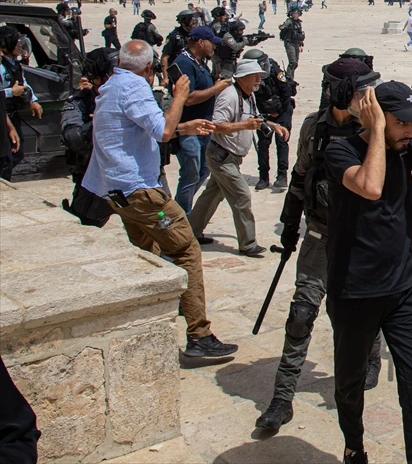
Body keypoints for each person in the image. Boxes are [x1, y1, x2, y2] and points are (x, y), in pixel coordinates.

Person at [323, 82, 412, 464]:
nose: (408, 131)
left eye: (411, 122)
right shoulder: (340, 151)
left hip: (404, 288)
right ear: (376, 118)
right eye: (401, 122)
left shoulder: (406, 147)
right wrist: (379, 129)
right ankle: (354, 445)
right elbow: (370, 186)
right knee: (350, 383)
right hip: (354, 291)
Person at [80, 40, 237, 360]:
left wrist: (184, 127)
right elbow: (162, 131)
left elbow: (143, 130)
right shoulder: (136, 86)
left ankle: (147, 323)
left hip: (118, 194)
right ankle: (199, 335)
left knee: (148, 255)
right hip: (143, 196)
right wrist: (179, 96)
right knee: (185, 249)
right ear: (149, 69)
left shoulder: (111, 87)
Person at [257, 56, 386, 434]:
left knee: (363, 312)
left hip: (361, 241)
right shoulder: (314, 127)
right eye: (362, 91)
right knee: (301, 316)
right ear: (342, 92)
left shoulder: (374, 130)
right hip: (318, 236)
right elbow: (301, 177)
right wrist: (288, 225)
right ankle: (282, 398)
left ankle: (372, 356)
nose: (369, 98)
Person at [188, 59, 288, 256]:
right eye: (254, 76)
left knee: (211, 195)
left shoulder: (249, 95)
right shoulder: (229, 96)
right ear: (242, 78)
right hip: (221, 156)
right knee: (242, 196)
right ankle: (248, 244)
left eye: (260, 76)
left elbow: (255, 118)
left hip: (231, 157)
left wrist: (273, 125)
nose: (259, 80)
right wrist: (244, 126)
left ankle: (191, 232)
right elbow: (216, 126)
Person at [173, 26, 232, 214]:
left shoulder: (198, 62)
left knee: (203, 171)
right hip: (188, 129)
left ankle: (181, 213)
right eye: (211, 42)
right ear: (200, 42)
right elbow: (188, 98)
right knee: (190, 175)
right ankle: (182, 218)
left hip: (204, 127)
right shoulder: (184, 63)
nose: (214, 46)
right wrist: (216, 89)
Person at [60, 48, 121, 227]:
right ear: (97, 79)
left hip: (131, 177)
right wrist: (99, 122)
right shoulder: (80, 102)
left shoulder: (132, 98)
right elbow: (72, 137)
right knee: (86, 225)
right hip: (93, 180)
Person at [249, 48, 297, 192]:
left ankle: (282, 176)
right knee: (263, 144)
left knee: (282, 141)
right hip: (263, 112)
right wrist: (265, 114)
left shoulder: (276, 72)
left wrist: (278, 111)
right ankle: (263, 177)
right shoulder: (248, 77)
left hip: (282, 109)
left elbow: (286, 92)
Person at [0, 27, 43, 170]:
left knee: (17, 153)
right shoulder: (1, 66)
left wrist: (33, 100)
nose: (20, 46)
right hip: (3, 114)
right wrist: (11, 92)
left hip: (12, 114)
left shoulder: (15, 64)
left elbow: (23, 82)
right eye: (15, 43)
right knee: (7, 157)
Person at [279, 6, 305, 81]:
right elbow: (283, 26)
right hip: (289, 43)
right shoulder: (289, 21)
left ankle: (291, 77)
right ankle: (288, 78)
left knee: (295, 63)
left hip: (296, 43)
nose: (295, 15)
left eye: (297, 13)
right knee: (292, 62)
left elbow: (299, 34)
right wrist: (282, 27)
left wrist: (301, 44)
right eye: (294, 13)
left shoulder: (298, 23)